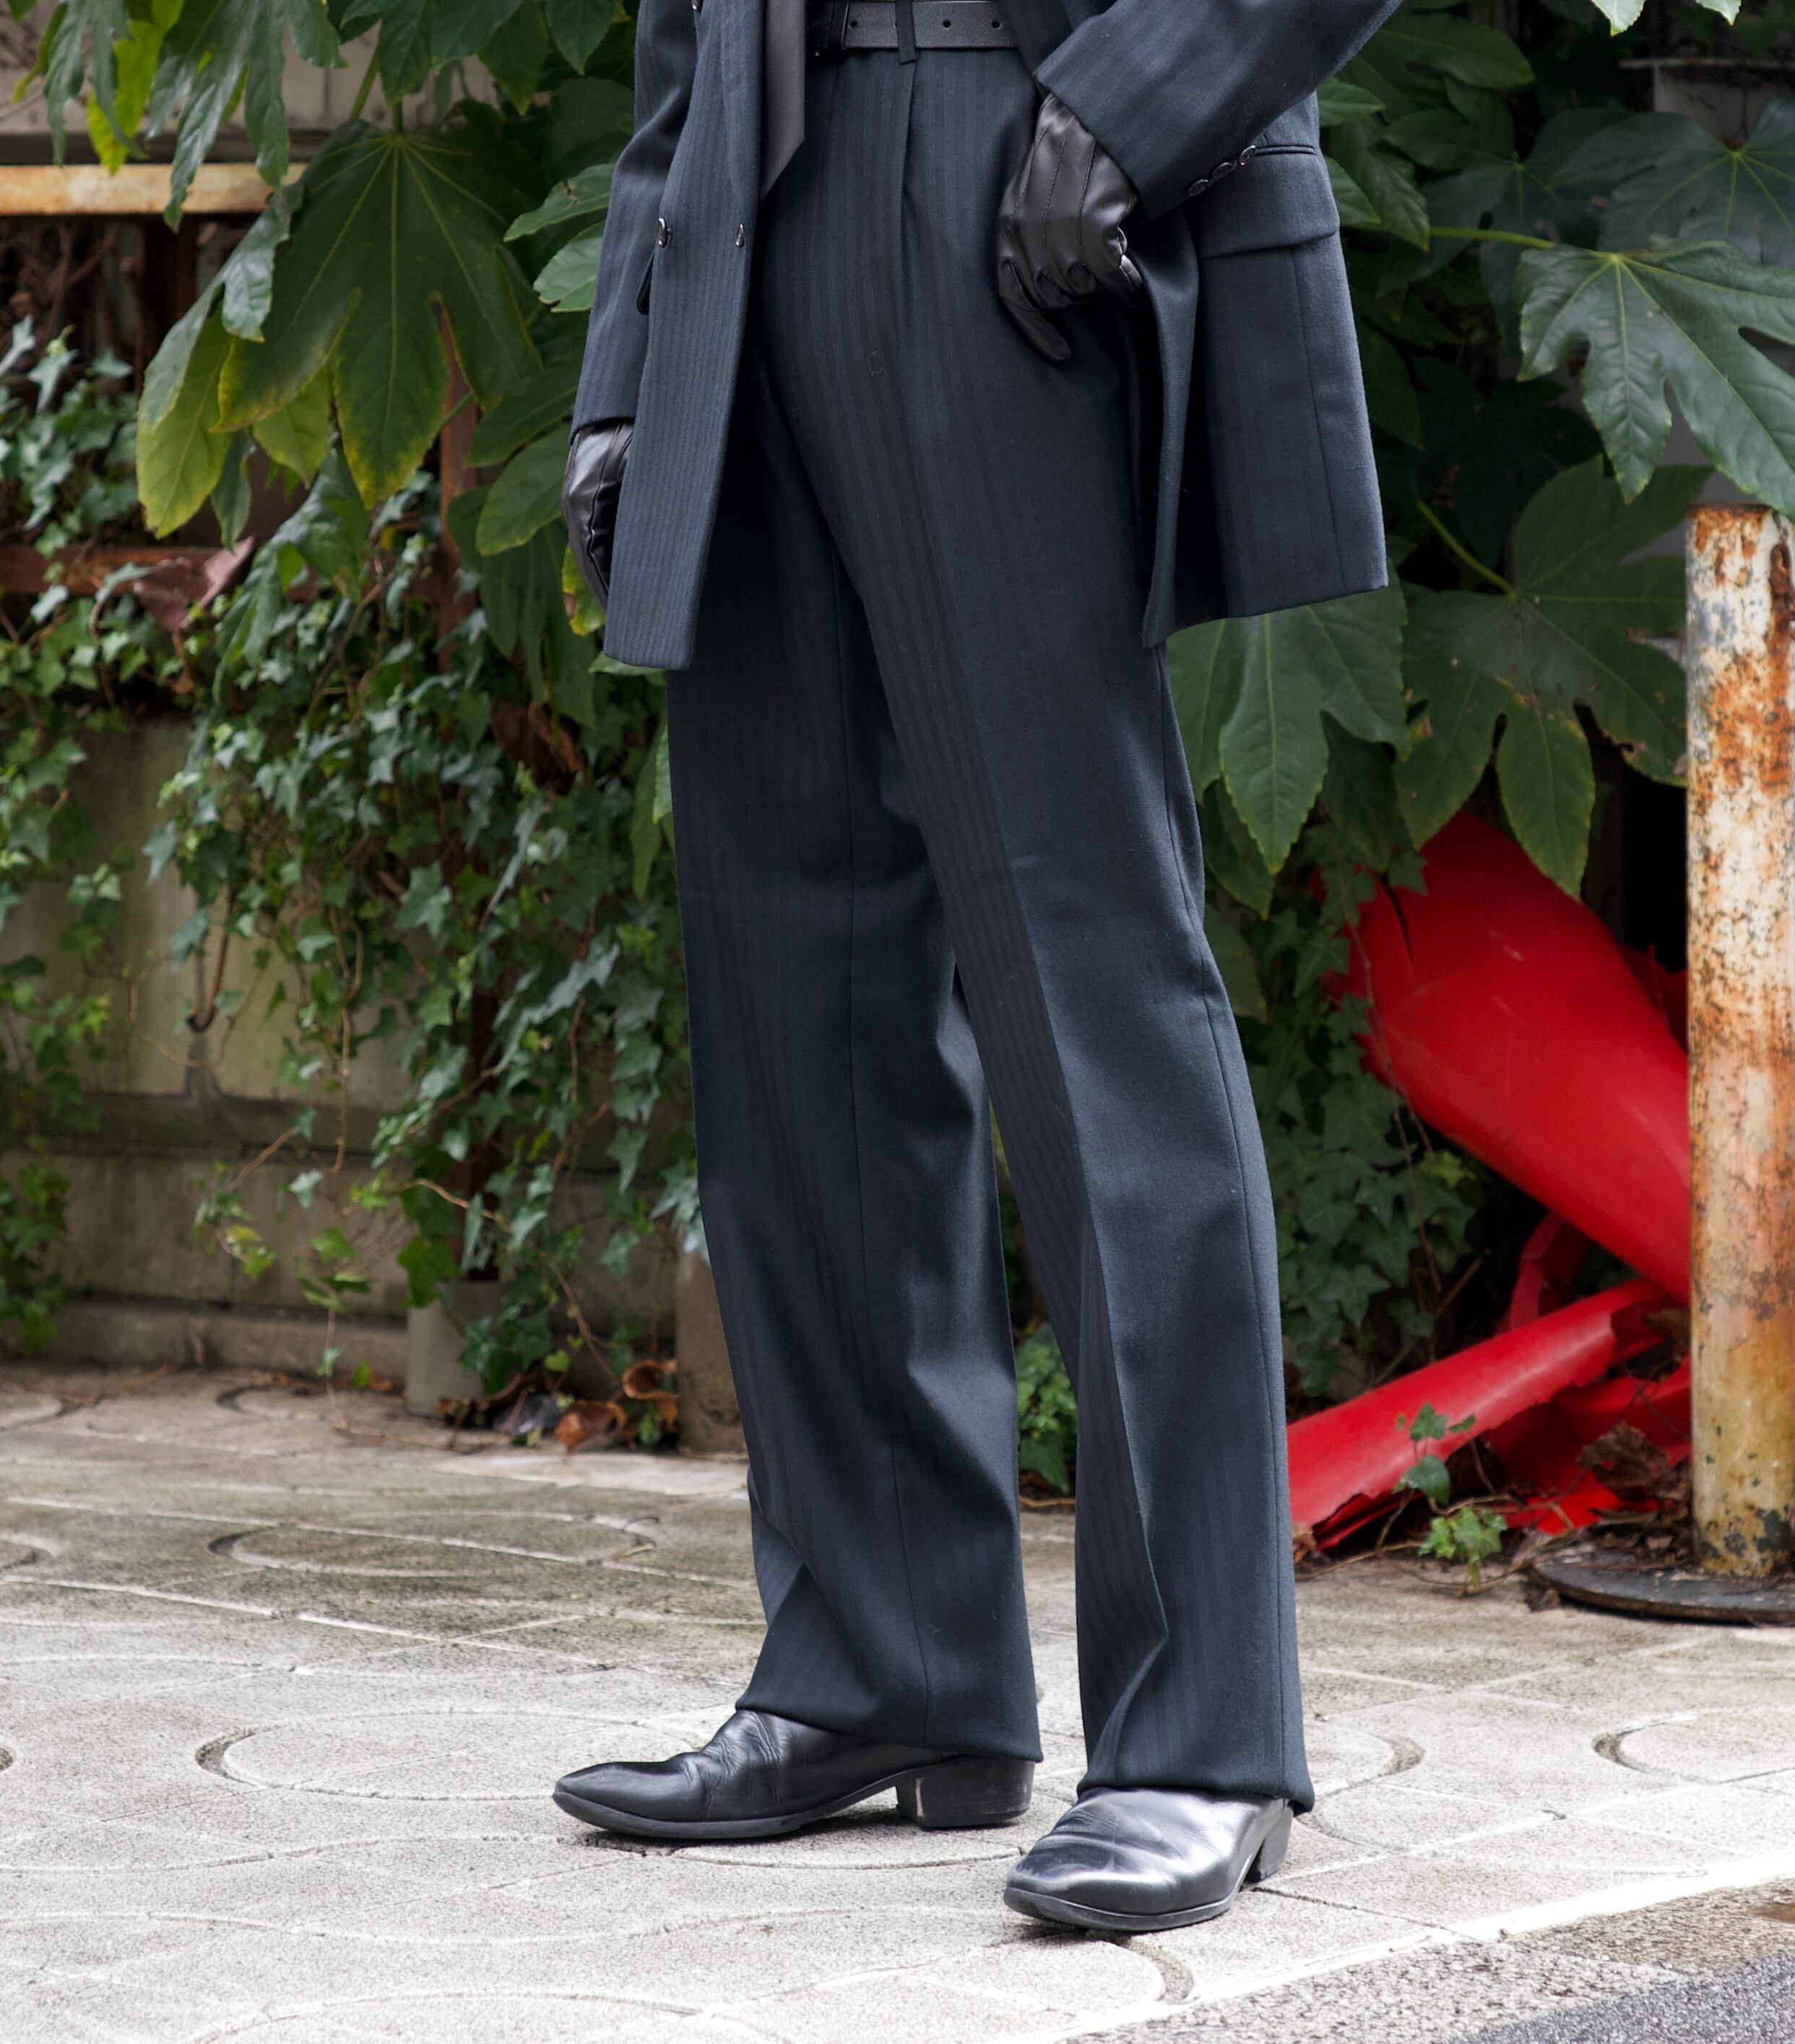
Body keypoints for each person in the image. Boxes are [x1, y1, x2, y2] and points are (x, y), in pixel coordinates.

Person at [552, 0, 1398, 1934]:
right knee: (798, 980)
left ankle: (1204, 1743)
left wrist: (1142, 103)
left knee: (1092, 990)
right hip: (756, 210)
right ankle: (884, 1667)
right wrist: (633, 356)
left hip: (1027, 191)